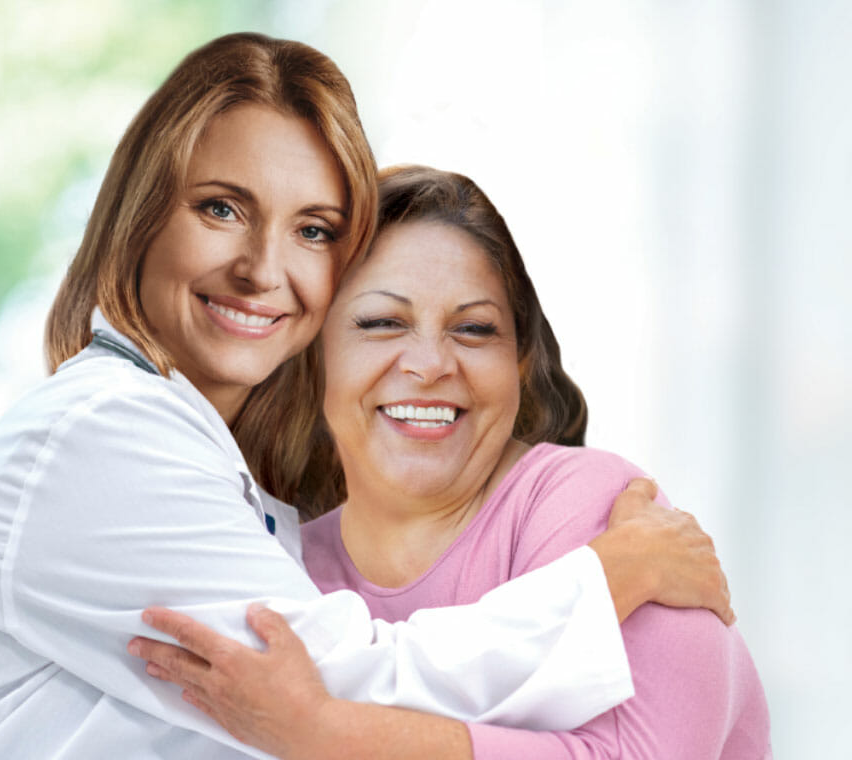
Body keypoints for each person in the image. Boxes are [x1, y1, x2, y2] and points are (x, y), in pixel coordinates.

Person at [0, 35, 732, 760]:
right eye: (220, 209)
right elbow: (329, 683)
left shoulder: (250, 493)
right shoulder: (101, 434)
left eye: (313, 230)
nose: (263, 270)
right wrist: (607, 578)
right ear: (140, 214)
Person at [131, 166, 771, 759]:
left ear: (519, 364)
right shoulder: (285, 570)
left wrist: (323, 730)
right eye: (382, 322)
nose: (431, 364)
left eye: (474, 330)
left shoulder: (597, 510)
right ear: (308, 358)